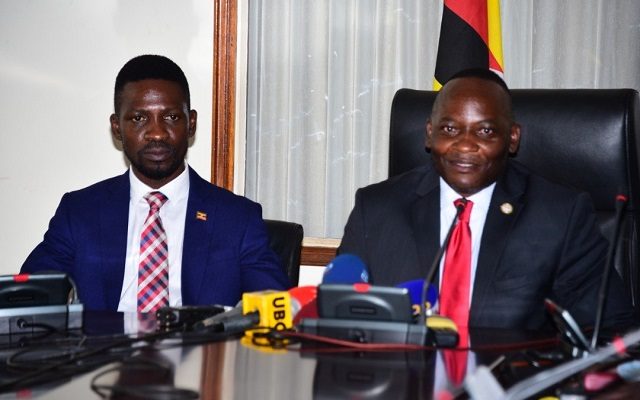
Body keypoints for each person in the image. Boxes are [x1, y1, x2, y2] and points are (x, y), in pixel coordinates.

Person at [338, 68, 634, 330]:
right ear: (430, 134)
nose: (465, 145)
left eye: (485, 131)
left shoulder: (560, 217)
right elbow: (339, 316)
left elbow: (610, 331)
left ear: (512, 138)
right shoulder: (375, 209)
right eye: (450, 129)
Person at [21, 55, 290, 312]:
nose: (157, 133)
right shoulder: (80, 212)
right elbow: (27, 299)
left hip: (201, 344)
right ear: (117, 128)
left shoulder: (237, 219)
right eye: (139, 119)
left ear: (191, 124)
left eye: (171, 117)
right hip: (103, 344)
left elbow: (277, 310)